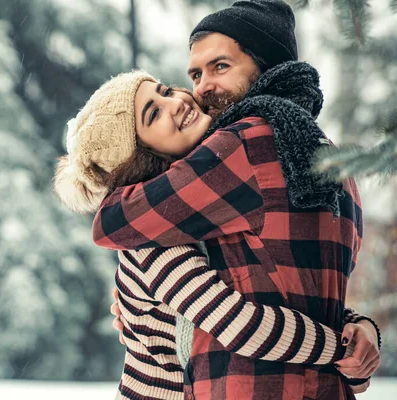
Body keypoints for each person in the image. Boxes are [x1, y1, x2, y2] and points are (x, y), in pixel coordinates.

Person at [94, 1, 381, 399]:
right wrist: (359, 333)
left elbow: (113, 223)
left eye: (220, 67)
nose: (201, 87)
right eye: (195, 73)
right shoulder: (333, 162)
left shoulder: (239, 147)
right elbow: (293, 286)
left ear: (266, 64)